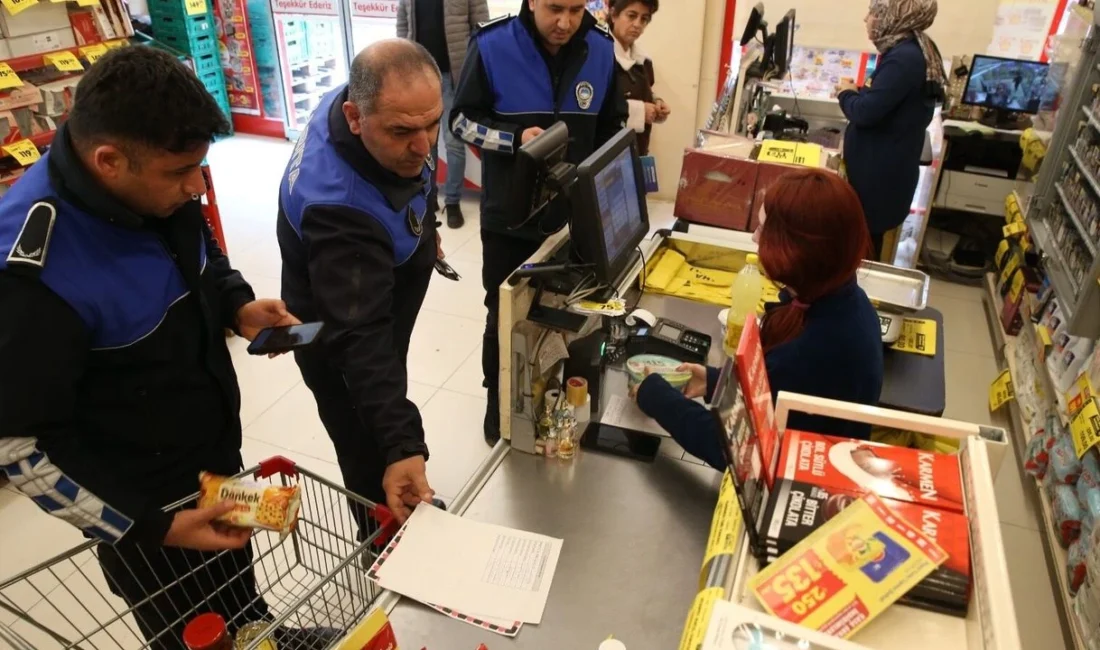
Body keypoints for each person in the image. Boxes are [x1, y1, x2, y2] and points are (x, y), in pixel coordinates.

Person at [0, 48, 330, 649]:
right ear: (109, 161)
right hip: (143, 503)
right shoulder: (32, 272)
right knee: (189, 631)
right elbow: (19, 445)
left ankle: (260, 633)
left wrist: (233, 303)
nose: (197, 184)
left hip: (211, 452)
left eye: (201, 167)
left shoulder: (156, 184)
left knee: (237, 587)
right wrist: (153, 525)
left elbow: (200, 253)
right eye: (182, 172)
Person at [277, 39, 439, 532]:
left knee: (385, 402)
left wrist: (423, 231)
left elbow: (412, 178)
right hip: (341, 341)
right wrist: (402, 444)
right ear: (354, 117)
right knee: (371, 450)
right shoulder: (340, 209)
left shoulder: (364, 106)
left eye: (433, 123)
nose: (424, 145)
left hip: (368, 295)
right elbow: (361, 338)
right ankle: (388, 549)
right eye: (404, 132)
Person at [450, 0, 626, 445]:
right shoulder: (492, 45)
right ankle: (499, 408)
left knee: (571, 315)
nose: (565, 22)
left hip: (573, 219)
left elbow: (612, 129)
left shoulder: (602, 49)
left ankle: (557, 398)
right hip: (509, 222)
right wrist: (514, 138)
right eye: (554, 9)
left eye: (574, 9)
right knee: (504, 318)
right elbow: (461, 122)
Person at [634, 169, 884, 470]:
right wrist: (715, 381)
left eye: (763, 229)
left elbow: (732, 449)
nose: (754, 237)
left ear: (794, 250)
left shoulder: (811, 351)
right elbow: (769, 394)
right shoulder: (845, 299)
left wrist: (654, 395)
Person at [834, 0, 943, 259]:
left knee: (862, 255)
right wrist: (860, 92)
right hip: (885, 173)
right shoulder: (912, 50)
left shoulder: (904, 59)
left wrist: (846, 94)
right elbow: (891, 102)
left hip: (878, 181)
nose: (866, 19)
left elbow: (865, 113)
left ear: (892, 17)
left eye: (873, 13)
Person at [397, 0, 489, 229]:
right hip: (418, 75)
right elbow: (402, 24)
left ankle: (453, 201)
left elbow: (482, 27)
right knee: (425, 143)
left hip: (453, 75)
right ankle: (429, 197)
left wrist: (474, 69)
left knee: (454, 142)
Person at [607, 0, 667, 156]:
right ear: (613, 14)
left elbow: (645, 91)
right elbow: (598, 108)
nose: (637, 24)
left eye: (644, 19)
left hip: (638, 150)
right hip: (608, 154)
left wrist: (656, 103)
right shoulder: (601, 57)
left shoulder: (643, 61)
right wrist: (639, 111)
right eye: (631, 16)